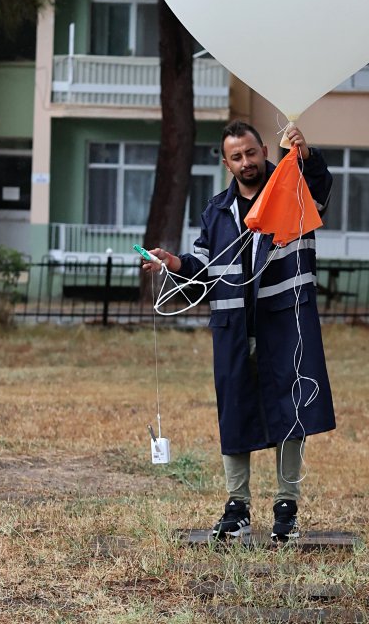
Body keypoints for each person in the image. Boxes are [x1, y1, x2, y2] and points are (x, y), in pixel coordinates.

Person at [143, 120, 335, 543]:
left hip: (285, 324)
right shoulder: (215, 210)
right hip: (233, 328)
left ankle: (287, 506)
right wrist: (173, 264)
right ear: (226, 161)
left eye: (251, 153)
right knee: (235, 414)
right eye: (237, 157)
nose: (246, 163)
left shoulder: (293, 191)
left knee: (292, 410)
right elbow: (202, 269)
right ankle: (237, 507)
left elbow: (321, 186)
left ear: (264, 149)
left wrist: (306, 156)